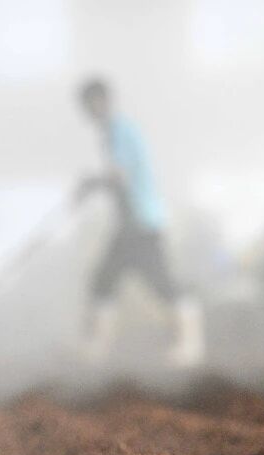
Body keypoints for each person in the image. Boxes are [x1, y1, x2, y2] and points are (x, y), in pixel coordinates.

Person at [75, 77, 204, 367]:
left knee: (159, 283)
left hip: (141, 223)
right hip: (130, 225)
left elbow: (119, 175)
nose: (89, 109)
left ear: (102, 101)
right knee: (103, 280)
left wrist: (90, 183)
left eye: (91, 102)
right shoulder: (112, 132)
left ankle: (190, 345)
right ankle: (95, 349)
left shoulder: (119, 130)